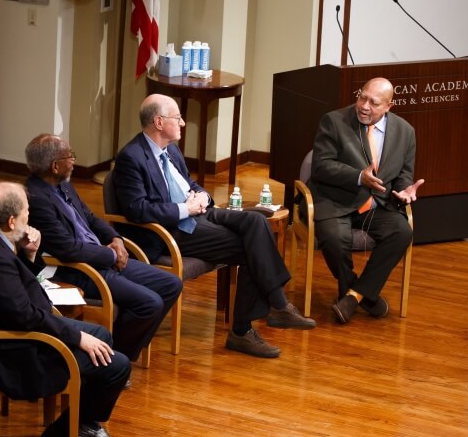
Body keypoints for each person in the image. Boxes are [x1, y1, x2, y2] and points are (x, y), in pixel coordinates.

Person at [111, 94, 315, 359]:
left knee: (256, 221)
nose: (183, 123)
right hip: (171, 230)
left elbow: (189, 184)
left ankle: (275, 306)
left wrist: (202, 197)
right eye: (177, 118)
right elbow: (137, 209)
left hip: (199, 213)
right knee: (251, 247)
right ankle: (251, 324)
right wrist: (186, 209)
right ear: (159, 122)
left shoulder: (170, 149)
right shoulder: (131, 157)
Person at [0, 181, 132, 437]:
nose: (29, 217)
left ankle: (80, 426)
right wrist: (77, 337)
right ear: (11, 221)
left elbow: (17, 290)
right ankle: (73, 431)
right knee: (117, 364)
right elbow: (24, 316)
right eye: (26, 212)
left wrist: (30, 255)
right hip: (20, 351)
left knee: (102, 336)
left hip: (26, 326)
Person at [23, 133, 183, 363]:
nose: (74, 160)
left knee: (171, 283)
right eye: (71, 156)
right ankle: (116, 358)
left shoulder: (63, 185)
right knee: (149, 303)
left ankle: (118, 347)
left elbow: (89, 217)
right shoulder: (36, 198)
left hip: (101, 257)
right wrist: (110, 254)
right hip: (78, 269)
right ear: (55, 166)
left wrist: (116, 239)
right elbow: (68, 249)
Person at [308, 77, 424, 324]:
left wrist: (404, 191)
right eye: (362, 97)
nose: (364, 106)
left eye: (374, 102)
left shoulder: (406, 132)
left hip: (377, 204)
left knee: (402, 232)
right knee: (333, 239)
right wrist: (359, 176)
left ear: (389, 106)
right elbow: (321, 167)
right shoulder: (334, 121)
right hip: (335, 199)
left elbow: (404, 174)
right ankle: (362, 294)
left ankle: (353, 296)